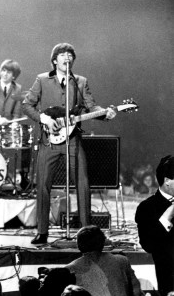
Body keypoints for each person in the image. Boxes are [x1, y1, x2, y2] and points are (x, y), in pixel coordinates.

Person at [22, 43, 117, 244]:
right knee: (43, 185)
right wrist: (43, 118)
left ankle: (87, 232)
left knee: (83, 183)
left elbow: (90, 107)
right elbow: (27, 104)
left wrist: (105, 114)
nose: (67, 58)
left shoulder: (80, 82)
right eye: (62, 55)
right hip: (49, 140)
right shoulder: (42, 80)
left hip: (73, 139)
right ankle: (42, 232)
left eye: (70, 55)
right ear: (54, 60)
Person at [65, 225, 143, 296]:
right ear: (103, 242)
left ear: (78, 245)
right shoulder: (122, 260)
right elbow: (137, 291)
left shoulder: (69, 269)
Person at [135, 155, 174, 296]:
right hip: (170, 285)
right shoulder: (146, 208)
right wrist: (168, 215)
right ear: (168, 181)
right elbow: (148, 245)